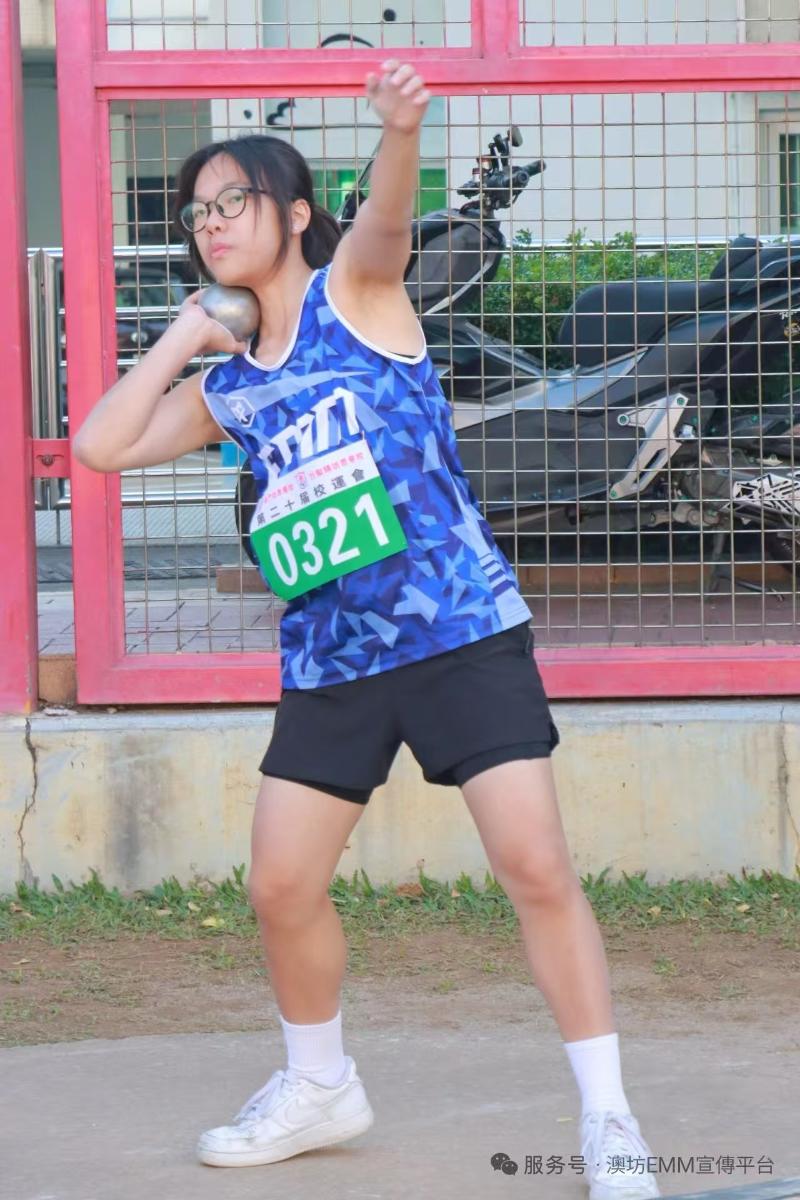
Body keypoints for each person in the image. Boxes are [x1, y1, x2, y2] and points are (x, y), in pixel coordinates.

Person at [73, 61, 660, 1199]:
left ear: (295, 213)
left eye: (232, 201)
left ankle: (608, 1116)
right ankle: (320, 1085)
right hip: (332, 660)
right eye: (195, 214)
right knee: (280, 886)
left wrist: (399, 133)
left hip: (457, 633)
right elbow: (100, 448)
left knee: (535, 866)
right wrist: (186, 332)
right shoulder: (229, 390)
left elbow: (386, 222)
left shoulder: (360, 297)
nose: (209, 224)